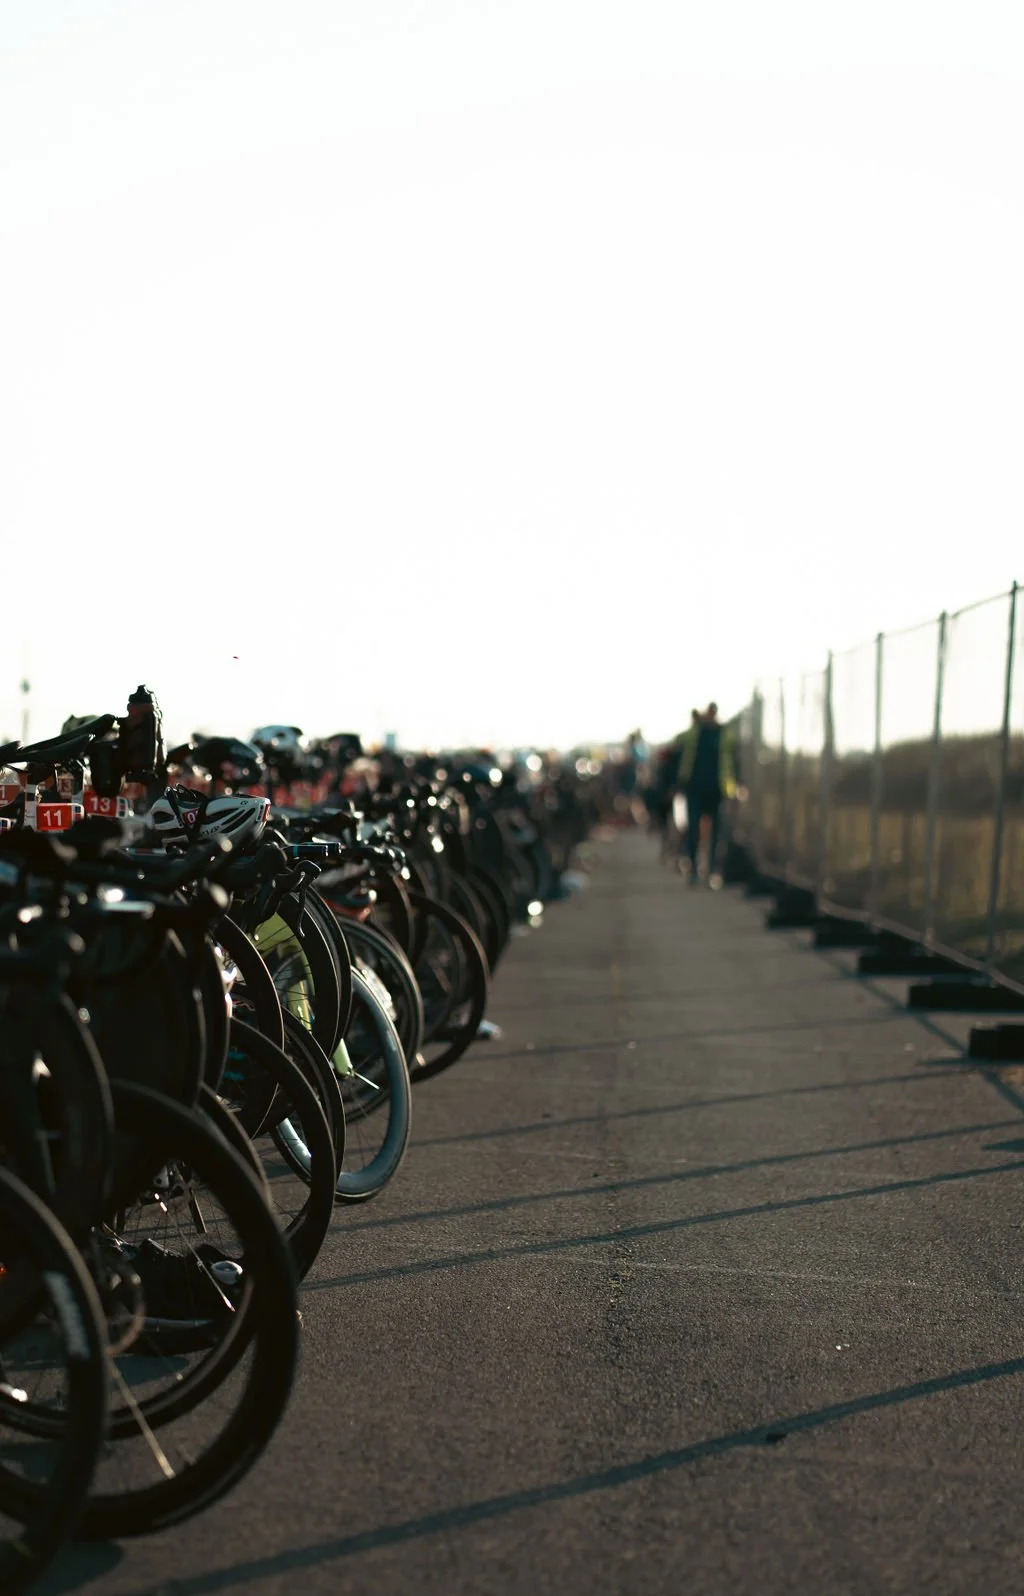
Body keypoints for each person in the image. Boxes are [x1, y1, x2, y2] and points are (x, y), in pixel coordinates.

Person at [674, 702, 738, 887]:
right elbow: (679, 747)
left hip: (717, 790)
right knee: (693, 829)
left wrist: (735, 787)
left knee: (716, 834)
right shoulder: (694, 733)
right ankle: (694, 869)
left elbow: (733, 762)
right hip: (694, 787)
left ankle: (711, 870)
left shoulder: (724, 735)